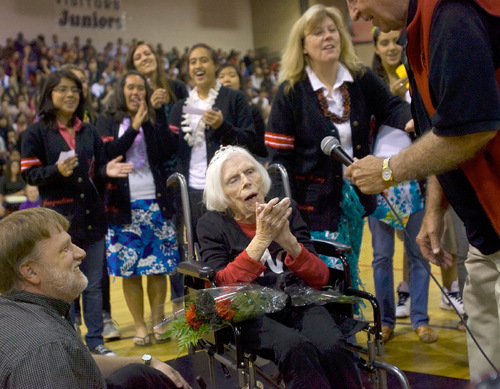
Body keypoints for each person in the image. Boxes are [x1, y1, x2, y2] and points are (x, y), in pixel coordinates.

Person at [345, 0, 500, 379]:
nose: (355, 16)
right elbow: (440, 125)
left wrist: (387, 170)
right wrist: (436, 206)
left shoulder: (451, 16)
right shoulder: (421, 30)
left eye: (354, 0)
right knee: (487, 367)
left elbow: (472, 128)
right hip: (486, 238)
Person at [265, 4, 412, 294]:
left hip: (353, 203)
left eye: (333, 30)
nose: (328, 36)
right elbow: (278, 162)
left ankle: (348, 327)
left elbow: (391, 107)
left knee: (349, 266)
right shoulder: (290, 91)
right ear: (303, 45)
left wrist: (412, 121)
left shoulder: (359, 78)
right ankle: (332, 332)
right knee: (322, 276)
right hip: (311, 208)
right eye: (318, 33)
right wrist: (286, 215)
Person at [197, 146, 361, 389]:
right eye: (234, 179)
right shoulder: (211, 226)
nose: (246, 182)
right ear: (222, 194)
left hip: (298, 301)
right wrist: (261, 240)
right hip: (249, 313)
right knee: (295, 347)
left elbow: (321, 277)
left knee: (331, 344)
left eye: (250, 171)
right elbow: (222, 289)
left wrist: (289, 243)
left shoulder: (286, 210)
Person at [0, 207, 191, 389]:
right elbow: (54, 354)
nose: (81, 253)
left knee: (137, 374)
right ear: (30, 271)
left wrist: (145, 361)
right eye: (65, 249)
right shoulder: (45, 349)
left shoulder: (15, 312)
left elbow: (75, 361)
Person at [20, 69, 133, 357]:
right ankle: (70, 345)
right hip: (58, 224)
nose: (70, 95)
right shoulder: (35, 132)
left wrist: (107, 170)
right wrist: (54, 171)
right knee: (62, 286)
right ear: (49, 94)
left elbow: (101, 165)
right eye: (62, 89)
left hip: (92, 218)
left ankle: (96, 342)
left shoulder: (88, 130)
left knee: (93, 286)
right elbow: (29, 175)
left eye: (74, 89)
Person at [96, 71, 180, 347]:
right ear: (121, 91)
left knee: (158, 268)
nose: (136, 92)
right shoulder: (108, 120)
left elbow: (166, 151)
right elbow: (108, 155)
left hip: (155, 203)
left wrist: (155, 117)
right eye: (131, 87)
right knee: (129, 271)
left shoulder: (153, 117)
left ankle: (158, 322)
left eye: (141, 88)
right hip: (122, 207)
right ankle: (141, 326)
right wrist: (134, 126)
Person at [368, 27, 437, 342]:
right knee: (381, 256)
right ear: (376, 47)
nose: (392, 47)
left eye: (397, 41)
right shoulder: (368, 84)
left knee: (417, 252)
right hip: (377, 178)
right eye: (384, 42)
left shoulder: (418, 76)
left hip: (415, 176)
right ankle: (386, 322)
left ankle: (421, 319)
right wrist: (390, 100)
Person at [169, 43, 255, 237]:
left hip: (227, 190)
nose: (198, 65)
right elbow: (168, 147)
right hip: (190, 191)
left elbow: (250, 142)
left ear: (215, 65)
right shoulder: (181, 106)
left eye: (203, 60)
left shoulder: (234, 98)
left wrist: (223, 127)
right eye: (193, 62)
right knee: (197, 247)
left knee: (230, 246)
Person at [125, 40, 188, 305]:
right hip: (154, 181)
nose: (144, 58)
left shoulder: (176, 87)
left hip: (181, 173)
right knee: (170, 246)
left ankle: (193, 299)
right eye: (138, 56)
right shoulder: (131, 97)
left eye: (148, 53)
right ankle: (178, 301)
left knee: (185, 241)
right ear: (132, 66)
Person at [217, 63, 268, 160]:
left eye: (232, 75)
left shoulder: (252, 110)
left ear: (240, 82)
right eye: (221, 76)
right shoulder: (211, 111)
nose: (227, 79)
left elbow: (262, 148)